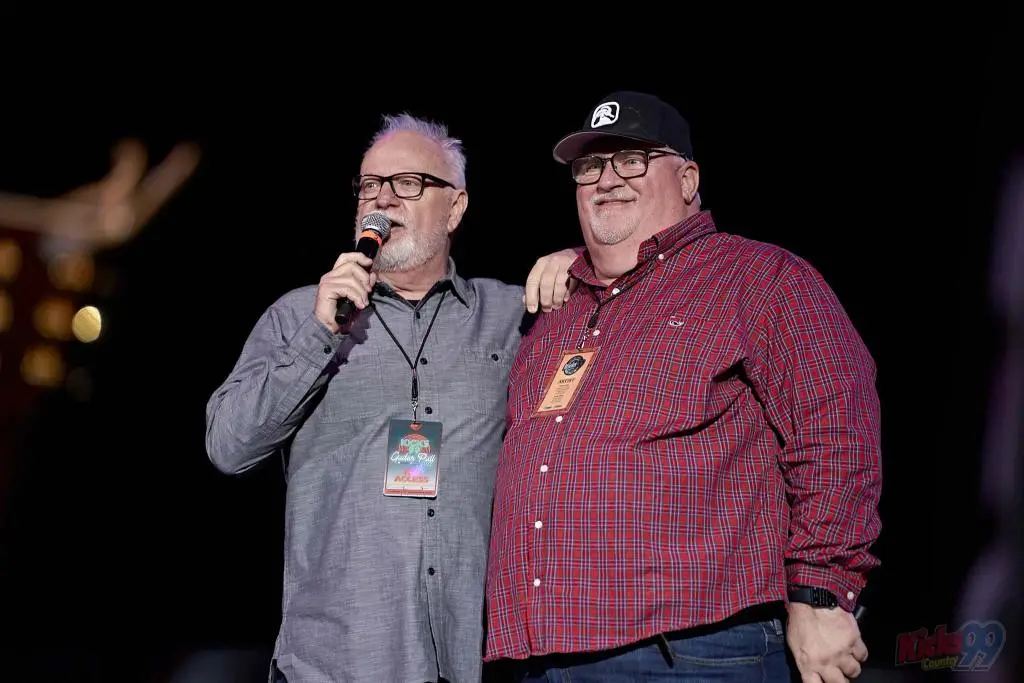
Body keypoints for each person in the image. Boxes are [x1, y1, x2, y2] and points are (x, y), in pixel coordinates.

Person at [484, 91, 883, 682]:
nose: (607, 179)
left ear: (688, 178)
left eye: (632, 159)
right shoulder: (558, 311)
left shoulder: (758, 277)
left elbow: (836, 429)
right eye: (590, 166)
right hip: (539, 655)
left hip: (692, 650)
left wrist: (820, 592)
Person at [204, 113, 578, 683]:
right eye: (370, 186)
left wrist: (579, 263)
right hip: (338, 660)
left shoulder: (511, 317)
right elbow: (229, 447)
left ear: (455, 208)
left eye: (408, 183)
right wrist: (320, 334)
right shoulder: (299, 316)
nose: (383, 200)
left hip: (471, 656)